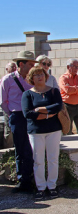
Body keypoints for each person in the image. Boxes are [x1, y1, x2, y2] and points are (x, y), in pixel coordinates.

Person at [22, 66, 62, 200]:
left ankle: (52, 186)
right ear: (31, 78)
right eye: (36, 75)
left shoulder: (53, 91)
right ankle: (40, 187)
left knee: (53, 158)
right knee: (38, 160)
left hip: (53, 130)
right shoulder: (27, 94)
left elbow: (58, 106)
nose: (40, 77)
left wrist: (40, 109)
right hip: (36, 131)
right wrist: (48, 114)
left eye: (42, 74)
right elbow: (28, 113)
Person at [0, 51, 37, 192]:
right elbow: (3, 101)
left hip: (31, 116)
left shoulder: (32, 80)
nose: (33, 67)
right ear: (21, 64)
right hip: (17, 116)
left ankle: (32, 178)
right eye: (31, 64)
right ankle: (23, 180)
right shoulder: (7, 80)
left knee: (31, 148)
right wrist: (12, 115)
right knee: (20, 149)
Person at [59, 58, 78, 134]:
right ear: (68, 67)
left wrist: (74, 90)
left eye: (77, 67)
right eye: (74, 66)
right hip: (68, 107)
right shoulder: (63, 78)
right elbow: (67, 90)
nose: (76, 69)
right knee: (68, 129)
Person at [1, 62, 17, 148]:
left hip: (16, 109)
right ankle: (8, 149)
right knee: (8, 129)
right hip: (8, 108)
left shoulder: (19, 78)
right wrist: (7, 111)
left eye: (15, 66)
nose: (14, 68)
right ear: (7, 69)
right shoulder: (5, 79)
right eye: (12, 66)